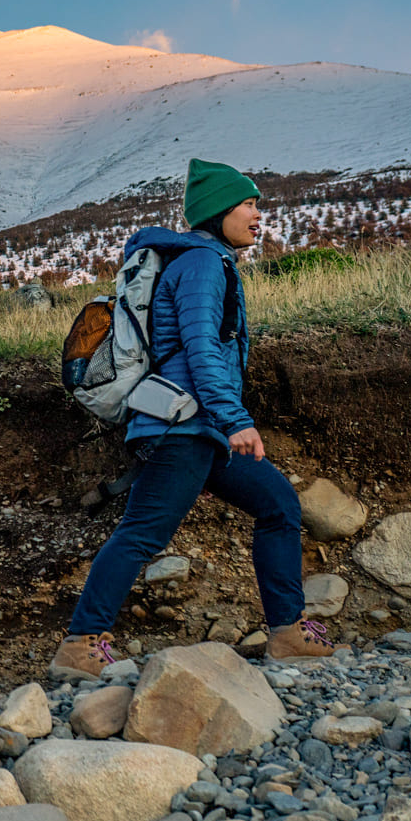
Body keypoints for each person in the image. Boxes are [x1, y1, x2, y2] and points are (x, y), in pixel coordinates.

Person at [51, 159, 333, 683]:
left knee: (277, 505)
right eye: (248, 204)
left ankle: (287, 632)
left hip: (198, 429)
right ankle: (81, 643)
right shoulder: (203, 264)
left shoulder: (207, 261)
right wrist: (236, 420)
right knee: (141, 534)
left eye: (257, 205)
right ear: (218, 211)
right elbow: (202, 348)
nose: (257, 215)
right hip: (181, 426)